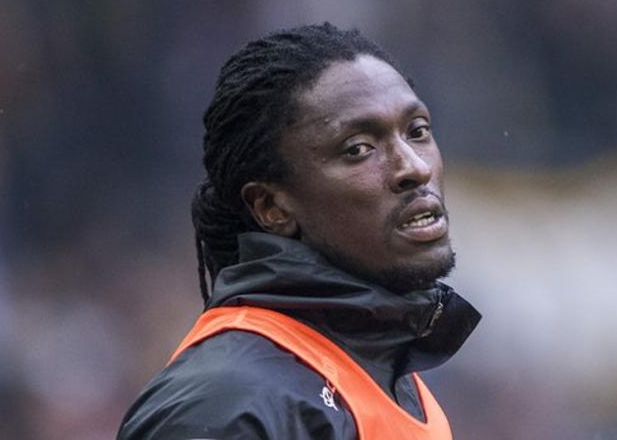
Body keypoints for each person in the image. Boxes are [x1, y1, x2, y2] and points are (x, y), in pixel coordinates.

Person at [117, 22, 480, 440]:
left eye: (417, 132)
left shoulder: (394, 379)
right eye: (359, 149)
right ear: (271, 207)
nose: (414, 168)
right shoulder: (228, 402)